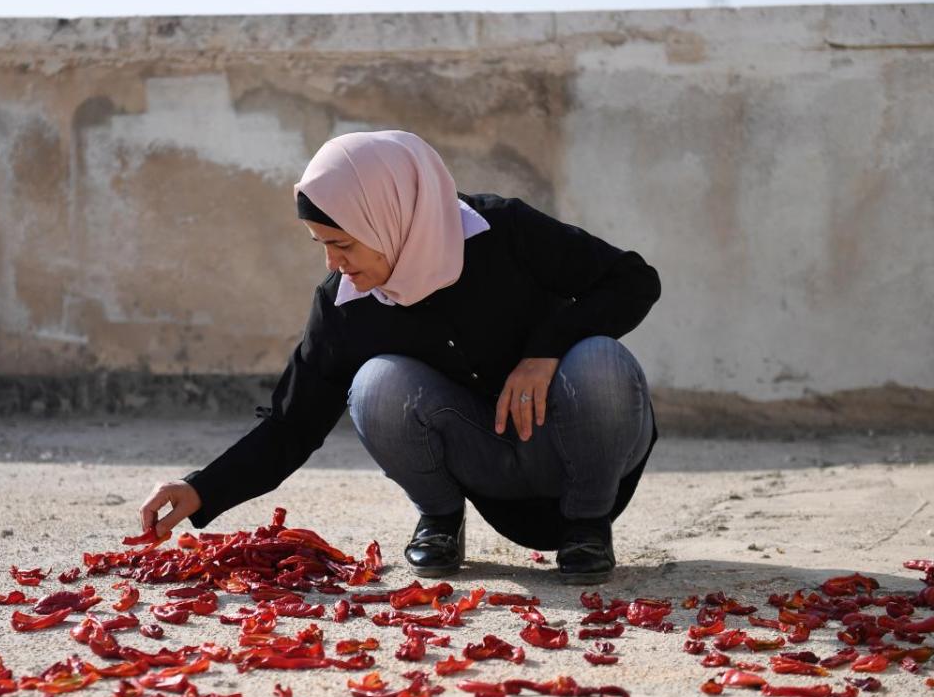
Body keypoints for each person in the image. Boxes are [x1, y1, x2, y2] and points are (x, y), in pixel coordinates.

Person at [139, 130, 660, 584]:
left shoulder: (502, 231)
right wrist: (201, 488)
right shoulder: (344, 305)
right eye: (321, 244)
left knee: (600, 360)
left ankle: (588, 527)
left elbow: (633, 281)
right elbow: (291, 425)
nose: (333, 263)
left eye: (342, 243)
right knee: (375, 384)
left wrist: (545, 350)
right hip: (489, 467)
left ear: (387, 216)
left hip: (575, 449)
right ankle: (438, 521)